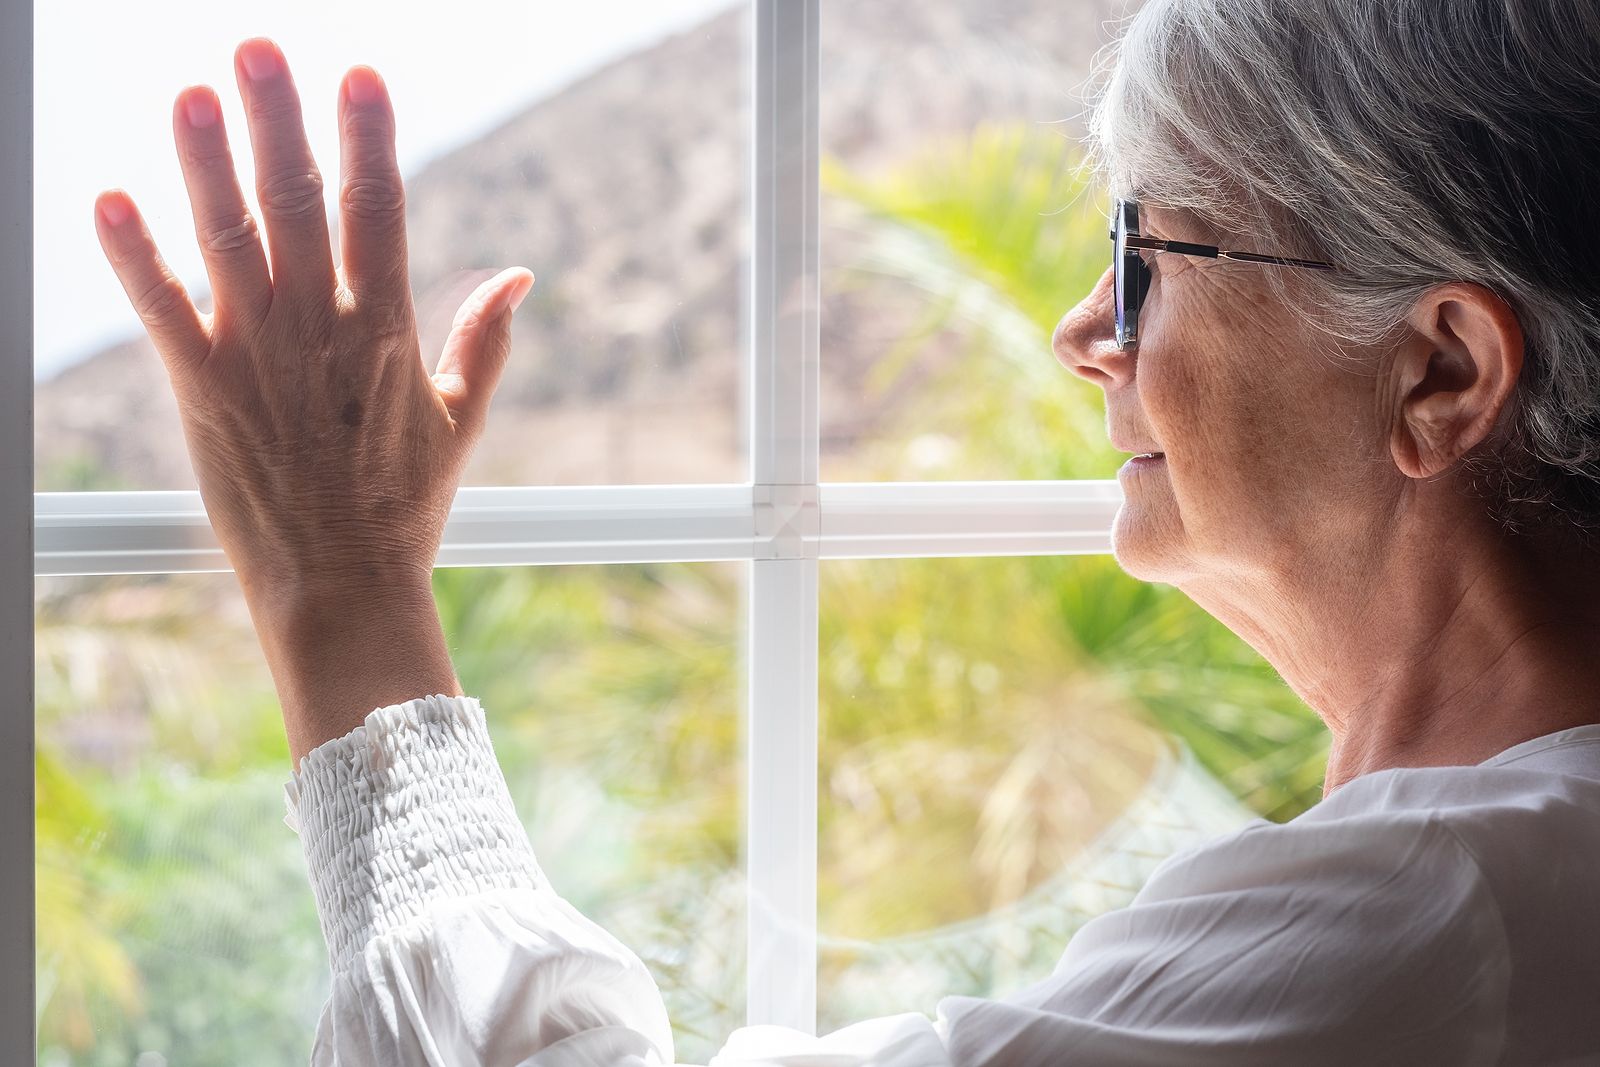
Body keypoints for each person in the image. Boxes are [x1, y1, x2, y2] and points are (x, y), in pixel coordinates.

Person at [91, 0, 1600, 1062]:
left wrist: (341, 583)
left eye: (1147, 254)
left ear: (1442, 371)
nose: (1085, 333)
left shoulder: (1428, 915)